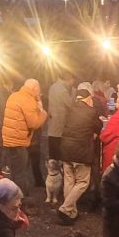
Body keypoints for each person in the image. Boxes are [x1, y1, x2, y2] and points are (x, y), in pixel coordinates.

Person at [56, 85, 102, 225]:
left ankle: (71, 213)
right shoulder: (91, 111)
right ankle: (65, 208)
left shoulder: (69, 110)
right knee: (82, 182)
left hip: (66, 150)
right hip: (81, 151)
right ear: (88, 99)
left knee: (69, 180)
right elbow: (98, 126)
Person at [1, 79, 48, 193]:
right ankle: (19, 198)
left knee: (11, 170)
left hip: (8, 140)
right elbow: (34, 123)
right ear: (34, 89)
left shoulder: (14, 96)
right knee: (20, 173)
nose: (39, 92)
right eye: (39, 90)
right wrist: (43, 113)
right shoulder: (28, 100)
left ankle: (8, 194)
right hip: (19, 141)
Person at [44, 72, 74, 206]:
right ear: (68, 79)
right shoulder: (62, 90)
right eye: (72, 80)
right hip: (60, 128)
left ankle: (51, 186)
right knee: (60, 158)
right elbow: (71, 105)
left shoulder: (52, 87)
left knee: (53, 156)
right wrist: (73, 95)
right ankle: (58, 187)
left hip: (52, 127)